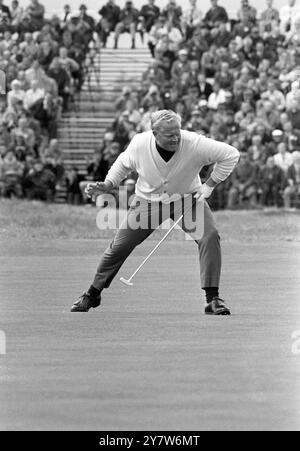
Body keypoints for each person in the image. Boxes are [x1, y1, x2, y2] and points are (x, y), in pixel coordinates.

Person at [70, 110, 239, 315]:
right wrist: (108, 184)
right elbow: (124, 163)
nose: (176, 138)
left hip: (187, 199)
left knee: (209, 236)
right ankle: (92, 293)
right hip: (147, 202)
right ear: (155, 133)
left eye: (177, 132)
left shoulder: (195, 143)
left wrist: (210, 184)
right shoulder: (140, 143)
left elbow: (231, 154)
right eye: (169, 135)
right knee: (120, 246)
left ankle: (213, 299)